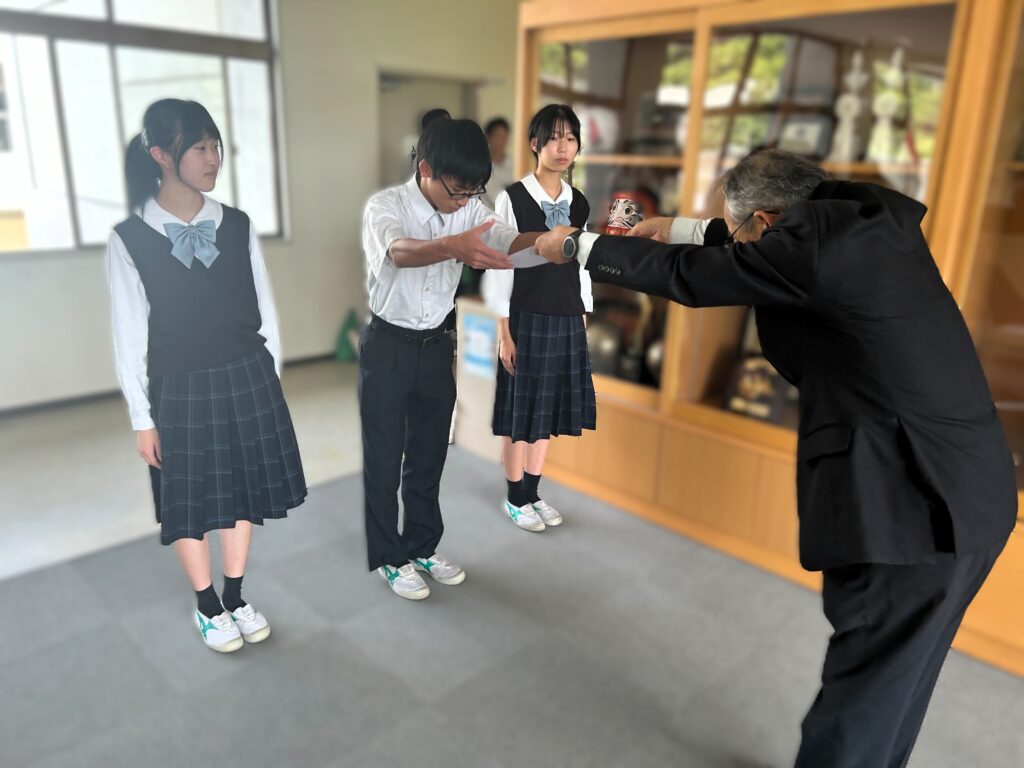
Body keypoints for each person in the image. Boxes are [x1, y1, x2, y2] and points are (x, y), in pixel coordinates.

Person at [535, 148, 1017, 768]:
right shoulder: (858, 224)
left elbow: (694, 278)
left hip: (912, 510)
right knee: (897, 684)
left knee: (863, 698)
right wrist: (681, 228)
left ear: (767, 221)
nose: (741, 241)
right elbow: (758, 251)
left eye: (742, 229)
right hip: (970, 491)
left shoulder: (813, 248)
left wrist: (578, 246)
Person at [107, 99, 307, 653]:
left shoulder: (236, 224)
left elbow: (266, 312)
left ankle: (236, 595)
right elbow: (129, 335)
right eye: (199, 147)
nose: (213, 157)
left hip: (247, 377)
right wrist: (142, 418)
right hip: (179, 387)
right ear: (160, 155)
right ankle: (207, 605)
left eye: (215, 145)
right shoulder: (129, 238)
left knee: (241, 491)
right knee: (189, 500)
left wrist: (271, 381)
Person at [360, 113, 542, 600]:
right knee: (384, 457)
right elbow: (399, 251)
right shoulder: (385, 206)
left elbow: (507, 240)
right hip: (388, 346)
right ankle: (390, 557)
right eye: (457, 191)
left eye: (472, 193)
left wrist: (549, 243)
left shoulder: (470, 209)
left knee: (429, 454)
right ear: (426, 170)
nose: (464, 201)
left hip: (438, 346)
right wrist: (451, 247)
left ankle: (421, 546)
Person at [486, 104, 596, 532]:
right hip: (526, 317)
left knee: (547, 410)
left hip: (567, 316)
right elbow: (499, 265)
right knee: (521, 412)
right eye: (553, 138)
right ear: (535, 144)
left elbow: (583, 266)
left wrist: (583, 314)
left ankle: (533, 491)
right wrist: (504, 331)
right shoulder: (512, 198)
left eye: (570, 138)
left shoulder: (579, 203)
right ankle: (515, 497)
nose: (562, 147)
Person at [482, 116, 514, 209]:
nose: (502, 141)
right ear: (488, 138)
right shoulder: (482, 166)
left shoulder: (513, 164)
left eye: (504, 136)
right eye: (498, 136)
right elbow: (494, 198)